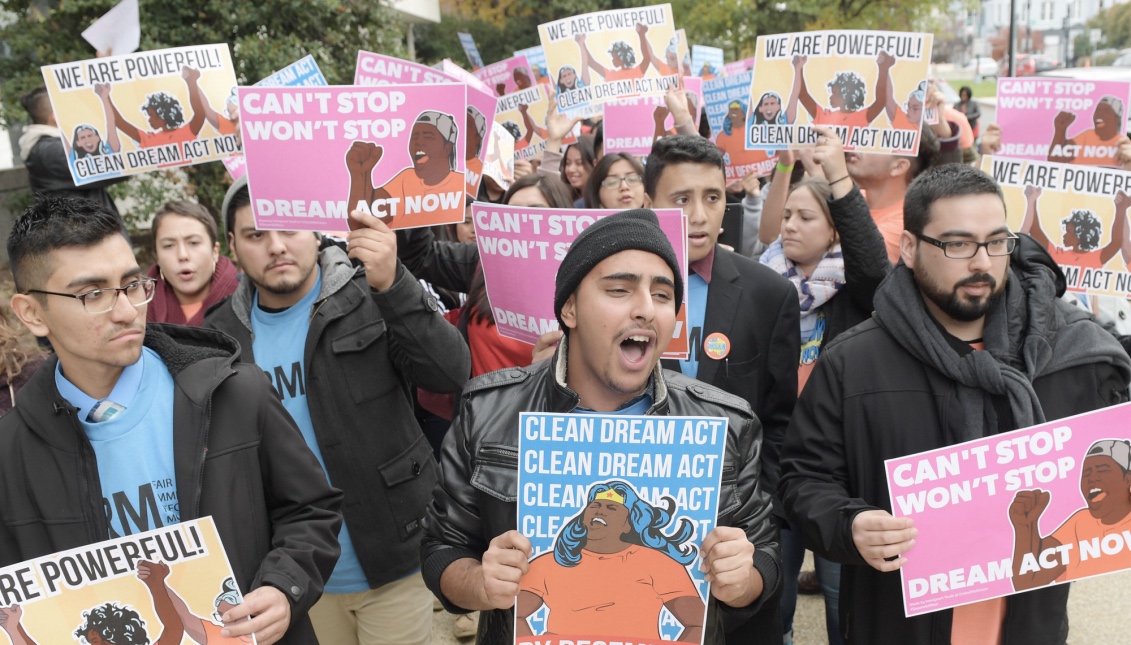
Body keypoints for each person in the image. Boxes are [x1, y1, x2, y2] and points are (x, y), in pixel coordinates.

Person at [779, 163, 1131, 644]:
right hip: (898, 623)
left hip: (1030, 625)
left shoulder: (1075, 356)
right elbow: (804, 479)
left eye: (996, 242)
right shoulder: (853, 363)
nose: (982, 263)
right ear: (908, 248)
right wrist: (851, 524)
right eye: (957, 244)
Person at [420, 208, 781, 645]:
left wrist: (744, 580)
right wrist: (480, 583)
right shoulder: (488, 409)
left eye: (663, 296)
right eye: (618, 290)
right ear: (569, 308)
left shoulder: (724, 423)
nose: (646, 309)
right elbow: (443, 549)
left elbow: (765, 555)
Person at [0, 195, 342, 645]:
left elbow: (311, 509)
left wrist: (284, 587)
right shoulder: (10, 452)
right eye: (92, 295)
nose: (125, 310)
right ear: (31, 313)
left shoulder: (234, 392)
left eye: (131, 284)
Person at [204, 177, 469, 645]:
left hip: (395, 558)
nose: (276, 246)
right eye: (255, 235)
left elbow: (450, 373)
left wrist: (394, 285)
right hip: (296, 578)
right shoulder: (219, 337)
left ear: (315, 229)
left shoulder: (370, 292)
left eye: (288, 228)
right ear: (231, 247)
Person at [641, 135, 800, 645]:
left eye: (712, 197)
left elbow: (780, 420)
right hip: (632, 512)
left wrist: (763, 511)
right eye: (680, 199)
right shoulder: (607, 288)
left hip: (733, 531)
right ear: (649, 205)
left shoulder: (767, 293)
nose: (700, 215)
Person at [758, 127, 891, 645]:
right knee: (777, 600)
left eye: (805, 217)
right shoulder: (766, 286)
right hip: (778, 472)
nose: (789, 226)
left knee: (842, 605)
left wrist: (837, 176)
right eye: (787, 216)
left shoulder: (857, 293)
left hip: (839, 475)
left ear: (834, 232)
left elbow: (875, 265)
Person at [517, 480, 706, 642]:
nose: (600, 512)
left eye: (611, 507)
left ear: (628, 524)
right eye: (595, 506)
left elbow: (698, 623)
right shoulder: (551, 562)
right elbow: (515, 614)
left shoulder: (660, 564)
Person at [1010, 438, 1131, 591]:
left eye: (1103, 470)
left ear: (1128, 479)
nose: (1092, 478)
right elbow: (1027, 582)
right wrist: (1025, 527)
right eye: (1086, 472)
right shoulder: (1080, 523)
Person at [18, 86, 125, 217]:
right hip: (82, 232)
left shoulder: (47, 147)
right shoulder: (50, 150)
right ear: (55, 117)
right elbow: (110, 169)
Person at [346, 110, 465, 226]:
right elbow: (362, 223)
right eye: (414, 137)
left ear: (447, 148)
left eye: (428, 137)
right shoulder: (406, 179)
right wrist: (360, 174)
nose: (418, 142)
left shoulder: (462, 186)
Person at [146, 200, 238, 326]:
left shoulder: (249, 301)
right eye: (168, 245)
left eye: (193, 243)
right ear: (157, 256)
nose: (183, 255)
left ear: (214, 251)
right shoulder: (138, 310)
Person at [1019, 185, 1130, 271]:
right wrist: (1032, 200)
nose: (1064, 235)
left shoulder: (1096, 259)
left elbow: (1117, 242)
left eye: (1069, 232)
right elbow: (1035, 230)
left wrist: (1120, 210)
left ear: (1080, 236)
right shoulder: (1057, 253)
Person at [99, 67, 209, 151]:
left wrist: (191, 82)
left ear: (163, 115)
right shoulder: (149, 139)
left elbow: (199, 113)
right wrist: (105, 96)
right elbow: (118, 121)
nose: (149, 120)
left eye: (151, 115)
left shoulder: (187, 133)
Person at [790, 52, 894, 129]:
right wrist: (799, 68)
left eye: (834, 93)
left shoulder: (862, 117)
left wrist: (883, 68)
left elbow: (881, 100)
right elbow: (802, 94)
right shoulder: (823, 116)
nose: (830, 97)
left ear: (846, 95)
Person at [1047, 96, 1125, 167]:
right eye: (1097, 111)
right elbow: (1054, 161)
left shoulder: (1123, 143)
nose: (1099, 114)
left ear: (1117, 119)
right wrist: (1060, 130)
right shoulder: (1087, 136)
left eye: (1105, 111)